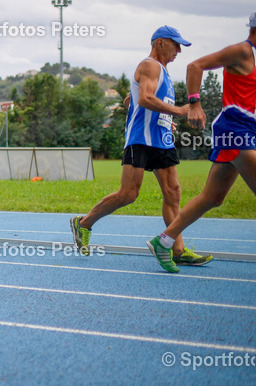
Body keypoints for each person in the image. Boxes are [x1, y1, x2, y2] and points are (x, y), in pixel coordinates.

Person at [70, 26, 211, 266]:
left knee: (173, 192)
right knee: (128, 194)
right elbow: (144, 98)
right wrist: (177, 111)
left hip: (162, 139)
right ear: (160, 43)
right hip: (141, 139)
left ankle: (177, 249)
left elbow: (131, 99)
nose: (178, 50)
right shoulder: (150, 65)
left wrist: (165, 118)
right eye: (175, 44)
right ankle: (83, 223)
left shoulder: (163, 72)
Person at [149, 13, 256, 272]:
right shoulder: (242, 51)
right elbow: (194, 66)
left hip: (245, 130)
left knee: (212, 197)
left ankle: (164, 241)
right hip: (236, 131)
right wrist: (195, 104)